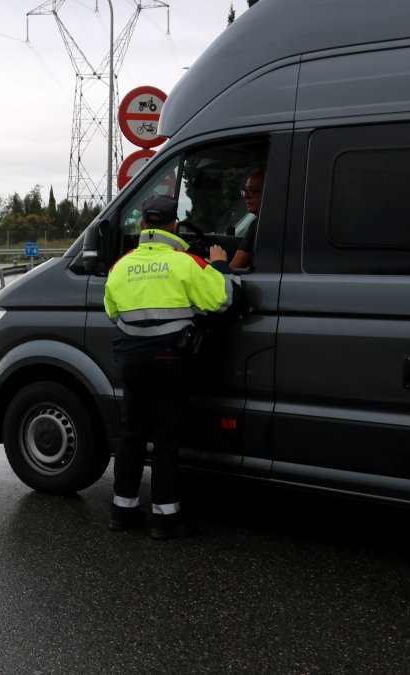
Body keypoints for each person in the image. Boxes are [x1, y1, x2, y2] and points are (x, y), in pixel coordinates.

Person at [104, 195, 239, 539]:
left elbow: (113, 312)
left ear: (143, 226)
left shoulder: (121, 266)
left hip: (130, 358)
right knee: (165, 437)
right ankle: (165, 518)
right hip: (170, 359)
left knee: (132, 433)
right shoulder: (187, 263)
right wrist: (221, 265)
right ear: (174, 226)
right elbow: (223, 300)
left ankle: (123, 510)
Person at [229, 167, 264, 269]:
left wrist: (217, 261)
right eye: (245, 190)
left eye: (252, 190)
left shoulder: (259, 225)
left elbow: (233, 269)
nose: (245, 196)